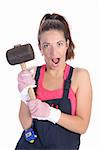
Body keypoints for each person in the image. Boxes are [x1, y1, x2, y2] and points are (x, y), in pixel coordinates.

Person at [15, 13, 92, 150]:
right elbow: (26, 124)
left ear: (67, 44)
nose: (53, 52)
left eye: (59, 44)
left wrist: (50, 113)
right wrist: (25, 94)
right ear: (40, 48)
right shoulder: (32, 75)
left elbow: (82, 126)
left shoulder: (79, 76)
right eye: (46, 45)